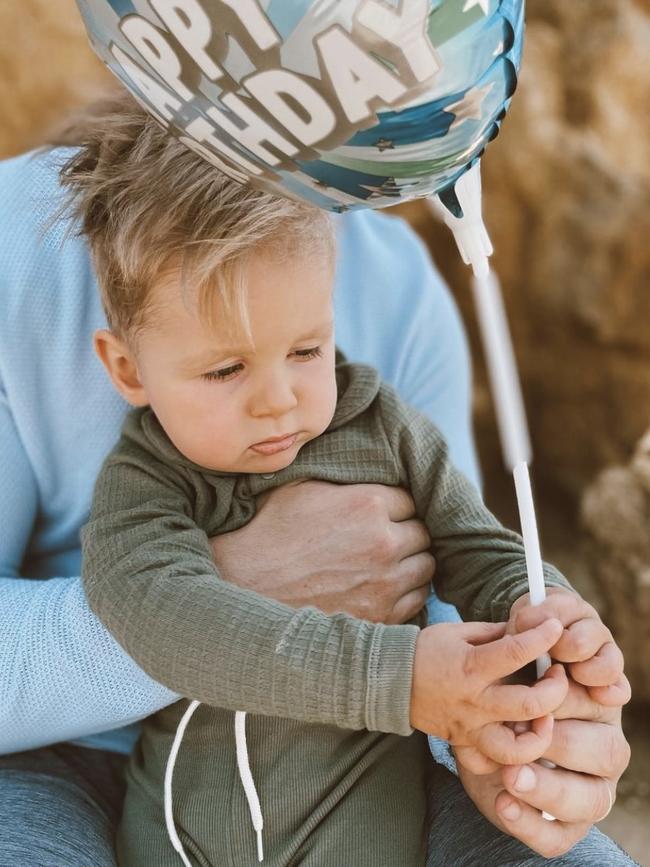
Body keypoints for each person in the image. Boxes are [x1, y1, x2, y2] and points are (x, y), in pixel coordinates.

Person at [0, 90, 633, 866]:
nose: (279, 399)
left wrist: (541, 645)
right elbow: (151, 598)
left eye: (308, 351)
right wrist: (340, 642)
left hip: (373, 767)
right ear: (125, 368)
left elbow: (467, 554)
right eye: (226, 368)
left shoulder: (392, 342)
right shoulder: (144, 468)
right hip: (68, 760)